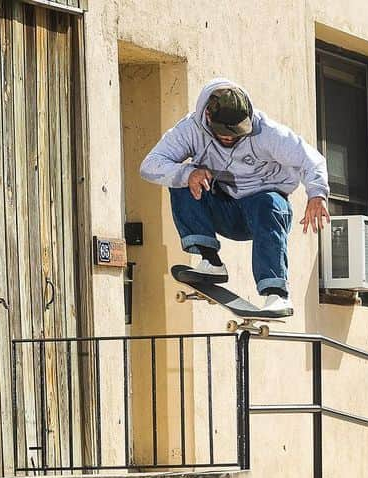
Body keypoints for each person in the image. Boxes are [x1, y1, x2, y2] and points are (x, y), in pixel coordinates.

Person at [140, 78, 330, 316]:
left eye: (236, 133)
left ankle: (277, 295)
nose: (229, 138)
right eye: (223, 133)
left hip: (262, 213)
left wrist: (317, 194)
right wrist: (187, 173)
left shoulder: (267, 131)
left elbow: (311, 159)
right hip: (224, 209)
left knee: (268, 202)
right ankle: (211, 262)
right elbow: (150, 165)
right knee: (181, 181)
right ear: (208, 116)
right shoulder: (190, 129)